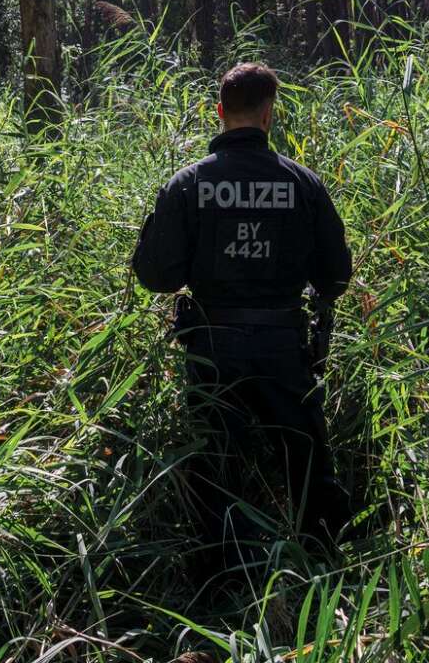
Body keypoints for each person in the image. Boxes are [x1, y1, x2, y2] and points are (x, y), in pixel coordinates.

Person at [131, 62, 357, 564]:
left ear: (219, 113)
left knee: (217, 466)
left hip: (212, 347)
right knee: (306, 461)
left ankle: (221, 579)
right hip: (284, 346)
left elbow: (155, 275)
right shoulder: (303, 183)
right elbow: (336, 278)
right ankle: (324, 565)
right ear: (269, 115)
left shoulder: (188, 183)